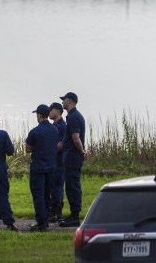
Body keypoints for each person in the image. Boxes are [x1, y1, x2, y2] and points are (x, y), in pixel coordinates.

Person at [25, 104, 59, 232]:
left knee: (38, 195)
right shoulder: (55, 130)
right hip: (51, 167)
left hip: (38, 168)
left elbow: (27, 149)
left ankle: (41, 222)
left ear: (39, 115)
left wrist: (36, 147)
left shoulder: (34, 131)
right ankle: (46, 219)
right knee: (46, 195)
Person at [59, 92, 86, 227]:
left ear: (69, 101)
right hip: (72, 156)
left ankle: (75, 216)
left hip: (72, 156)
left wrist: (82, 151)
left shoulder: (73, 117)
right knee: (72, 185)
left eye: (64, 100)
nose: (62, 102)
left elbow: (76, 138)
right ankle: (74, 214)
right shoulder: (74, 116)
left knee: (72, 185)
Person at [48, 101, 67, 223]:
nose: (49, 112)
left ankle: (56, 212)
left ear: (57, 111)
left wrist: (47, 150)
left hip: (59, 161)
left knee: (57, 186)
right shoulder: (53, 126)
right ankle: (55, 211)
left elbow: (60, 146)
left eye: (51, 109)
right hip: (52, 161)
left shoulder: (62, 126)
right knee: (53, 186)